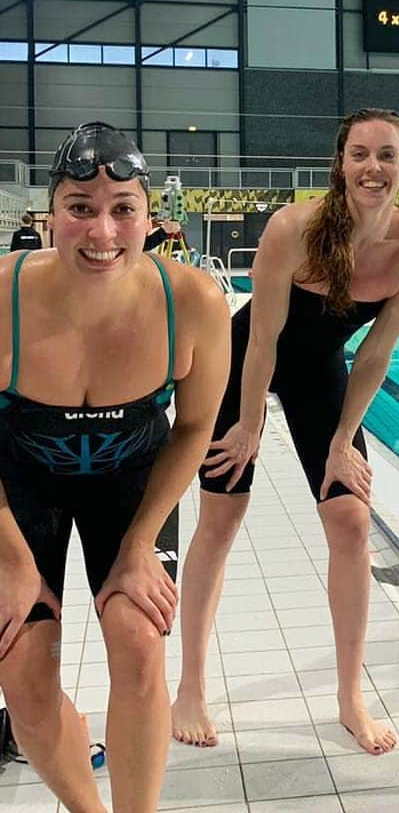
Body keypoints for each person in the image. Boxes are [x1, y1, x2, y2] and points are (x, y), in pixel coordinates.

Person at [171, 107, 399, 751]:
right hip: (243, 362)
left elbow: (374, 353)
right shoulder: (293, 227)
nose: (372, 167)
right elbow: (261, 339)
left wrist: (343, 439)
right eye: (359, 154)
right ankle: (190, 686)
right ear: (340, 161)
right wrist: (247, 423)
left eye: (386, 155)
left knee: (351, 522)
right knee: (220, 519)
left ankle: (351, 697)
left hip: (320, 374)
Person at [0, 121, 230, 813]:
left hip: (133, 484)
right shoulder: (2, 296)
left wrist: (138, 545)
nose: (103, 232)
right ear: (50, 216)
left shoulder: (193, 302)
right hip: (19, 488)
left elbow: (193, 428)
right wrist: (13, 558)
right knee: (21, 671)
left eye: (122, 209)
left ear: (148, 217)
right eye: (81, 208)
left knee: (138, 645)